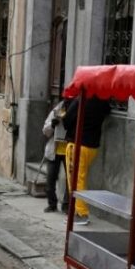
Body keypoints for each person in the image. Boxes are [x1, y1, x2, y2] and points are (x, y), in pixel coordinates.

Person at [63, 96, 111, 224]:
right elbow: (107, 111)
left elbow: (66, 122)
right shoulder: (102, 101)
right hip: (92, 146)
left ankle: (81, 213)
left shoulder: (80, 100)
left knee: (75, 181)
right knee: (80, 179)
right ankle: (77, 212)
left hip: (77, 145)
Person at [40, 99, 70, 213]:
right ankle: (52, 204)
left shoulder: (74, 113)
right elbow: (45, 131)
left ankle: (66, 205)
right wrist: (52, 125)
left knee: (70, 180)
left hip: (68, 149)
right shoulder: (55, 111)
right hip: (54, 150)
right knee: (50, 178)